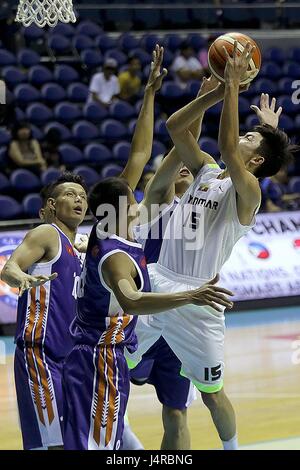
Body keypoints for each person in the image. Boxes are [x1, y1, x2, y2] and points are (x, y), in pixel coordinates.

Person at [62, 45, 234, 451]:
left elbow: (148, 154)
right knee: (101, 422)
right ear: (118, 206)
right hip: (123, 330)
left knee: (172, 412)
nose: (138, 189)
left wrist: (156, 94)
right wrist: (206, 99)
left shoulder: (166, 212)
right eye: (131, 192)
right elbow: (157, 158)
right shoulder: (126, 232)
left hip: (161, 317)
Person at [126, 43, 297, 451]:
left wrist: (235, 85)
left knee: (211, 392)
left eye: (251, 137)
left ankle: (232, 449)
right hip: (156, 281)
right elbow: (174, 128)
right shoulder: (206, 170)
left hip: (200, 299)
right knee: (113, 358)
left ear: (255, 161)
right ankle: (115, 435)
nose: (245, 137)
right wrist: (217, 91)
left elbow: (227, 146)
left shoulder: (249, 192)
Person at [0, 172, 88, 450]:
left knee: (67, 440)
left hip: (72, 355)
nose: (79, 200)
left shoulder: (80, 248)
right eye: (71, 194)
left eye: (83, 197)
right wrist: (21, 278)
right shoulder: (48, 233)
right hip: (42, 354)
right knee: (55, 444)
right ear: (51, 205)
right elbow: (9, 268)